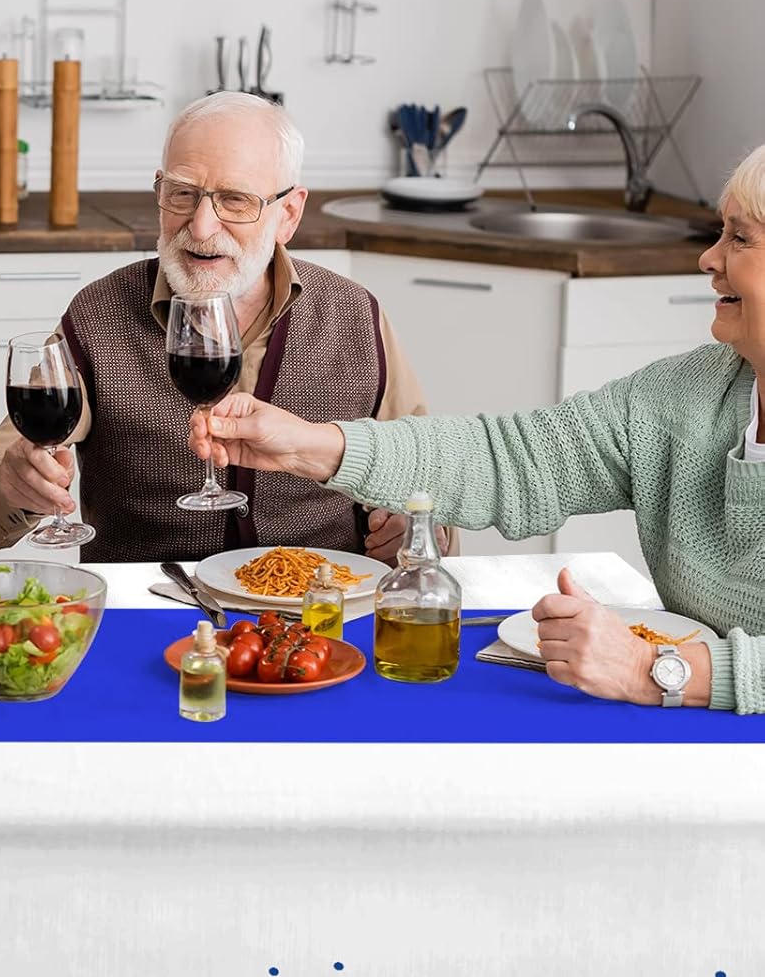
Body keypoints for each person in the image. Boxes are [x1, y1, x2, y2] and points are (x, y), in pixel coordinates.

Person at [186, 146, 765, 714]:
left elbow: (662, 672)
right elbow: (511, 458)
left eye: (739, 238)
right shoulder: (692, 392)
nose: (708, 259)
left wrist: (656, 671)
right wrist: (316, 445)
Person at [0, 92, 443, 563]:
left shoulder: (355, 315)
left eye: (234, 200)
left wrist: (418, 525)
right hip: (147, 612)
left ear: (288, 214)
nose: (202, 226)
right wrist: (11, 483)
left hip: (317, 611)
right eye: (182, 194)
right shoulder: (98, 314)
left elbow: (429, 479)